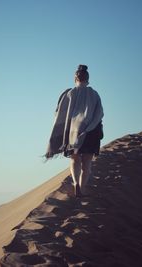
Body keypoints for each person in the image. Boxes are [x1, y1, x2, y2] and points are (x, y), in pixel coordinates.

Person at [44, 65, 104, 197]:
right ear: (87, 79)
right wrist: (90, 125)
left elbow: (59, 115)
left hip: (73, 132)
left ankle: (76, 183)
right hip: (90, 132)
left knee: (74, 159)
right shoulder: (94, 94)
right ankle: (82, 189)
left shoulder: (69, 94)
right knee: (87, 163)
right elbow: (100, 114)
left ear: (75, 78)